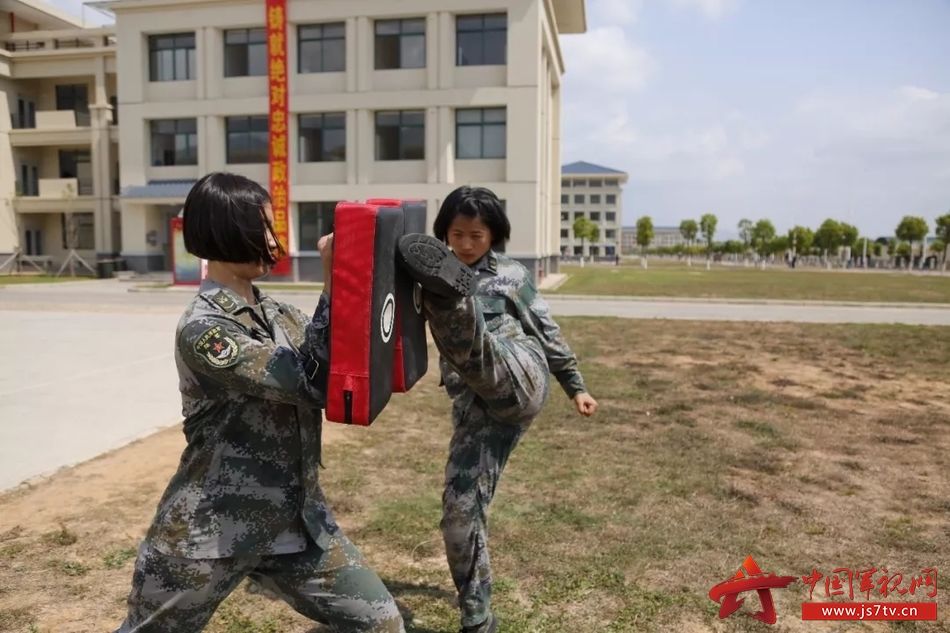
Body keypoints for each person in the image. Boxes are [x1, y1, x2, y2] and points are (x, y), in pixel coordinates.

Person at [114, 172, 404, 633]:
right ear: (227, 233)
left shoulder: (278, 313)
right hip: (210, 531)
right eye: (263, 229)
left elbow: (341, 362)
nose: (273, 241)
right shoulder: (206, 331)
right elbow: (309, 381)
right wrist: (336, 282)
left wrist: (383, 278)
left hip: (296, 522)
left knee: (380, 622)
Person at [397, 186, 598, 633]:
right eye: (457, 235)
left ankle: (454, 299)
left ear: (494, 235)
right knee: (458, 514)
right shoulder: (425, 281)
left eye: (477, 235)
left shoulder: (511, 275)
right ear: (444, 234)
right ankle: (478, 617)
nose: (467, 244)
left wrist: (575, 385)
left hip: (520, 371)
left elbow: (547, 332)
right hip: (478, 406)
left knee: (479, 343)